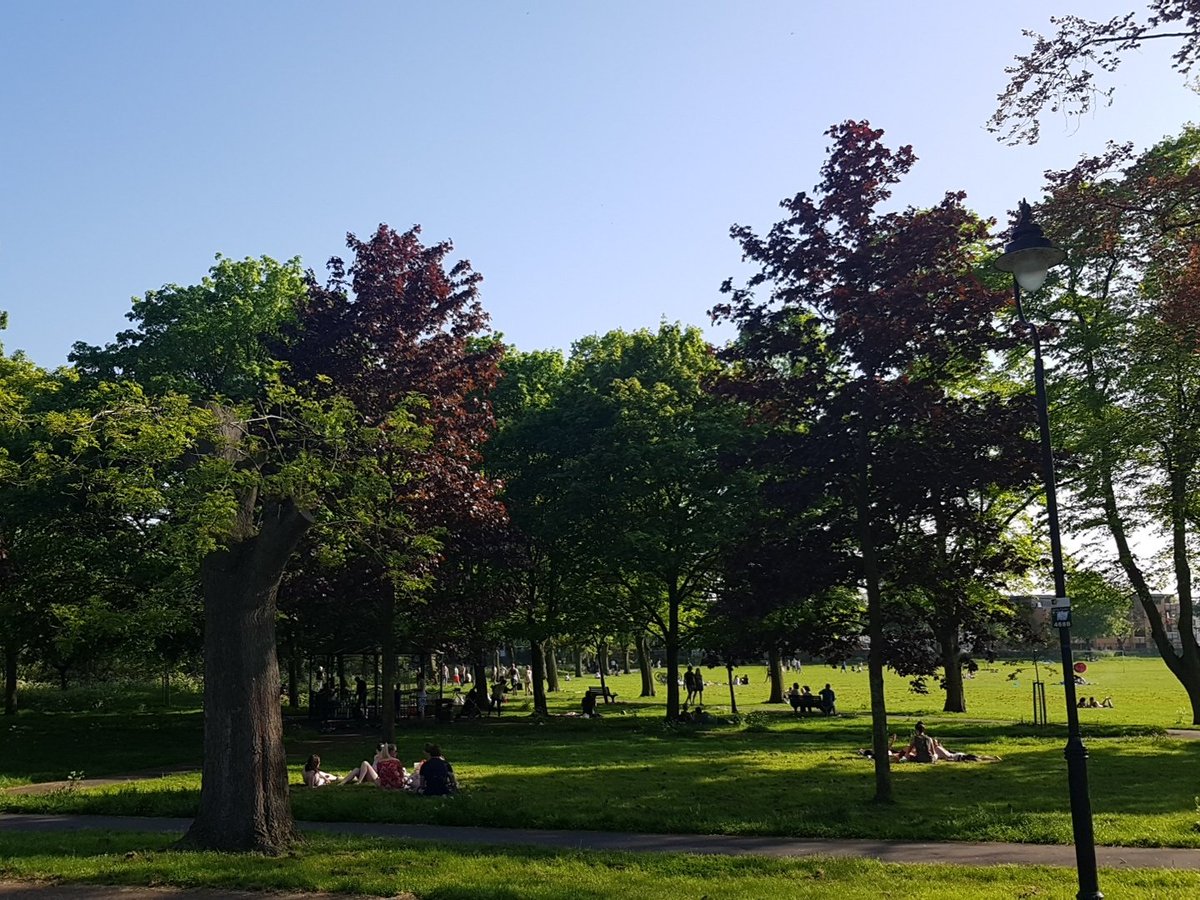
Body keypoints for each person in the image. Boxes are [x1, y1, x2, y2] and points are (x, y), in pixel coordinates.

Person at [303, 754, 378, 787]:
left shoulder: (308, 769)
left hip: (372, 777)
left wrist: (324, 778)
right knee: (357, 769)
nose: (319, 764)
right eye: (319, 763)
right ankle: (343, 782)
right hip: (319, 781)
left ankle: (356, 781)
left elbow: (316, 774)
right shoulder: (312, 773)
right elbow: (311, 786)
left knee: (328, 776)